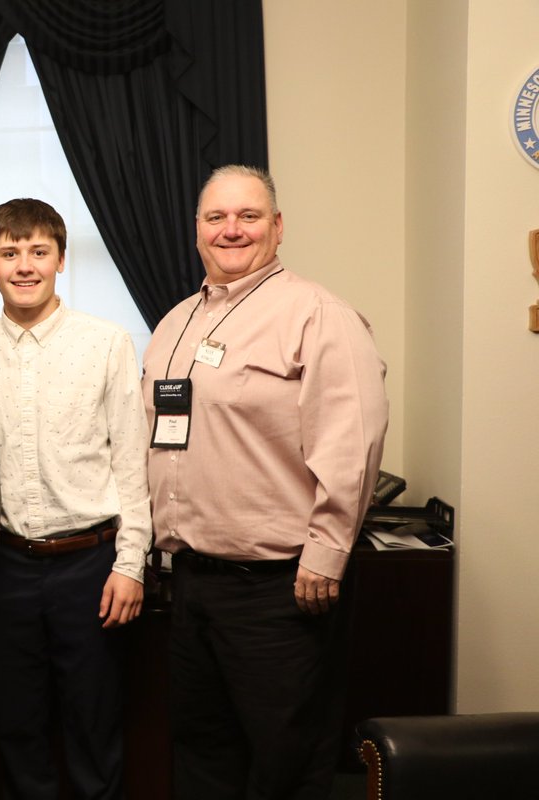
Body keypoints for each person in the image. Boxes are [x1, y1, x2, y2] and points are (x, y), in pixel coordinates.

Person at [142, 165, 389, 800]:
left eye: (248, 216)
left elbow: (351, 440)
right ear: (196, 230)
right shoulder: (173, 325)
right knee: (201, 751)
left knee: (286, 761)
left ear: (277, 227)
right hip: (192, 584)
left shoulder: (317, 314)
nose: (231, 230)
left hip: (280, 591)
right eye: (215, 217)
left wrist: (328, 553)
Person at [0, 199, 152, 800]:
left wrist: (130, 563)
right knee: (17, 721)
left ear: (60, 259)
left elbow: (131, 461)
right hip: (4, 565)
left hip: (90, 563)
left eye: (38, 251)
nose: (25, 265)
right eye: (9, 253)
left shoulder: (108, 342)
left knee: (92, 719)